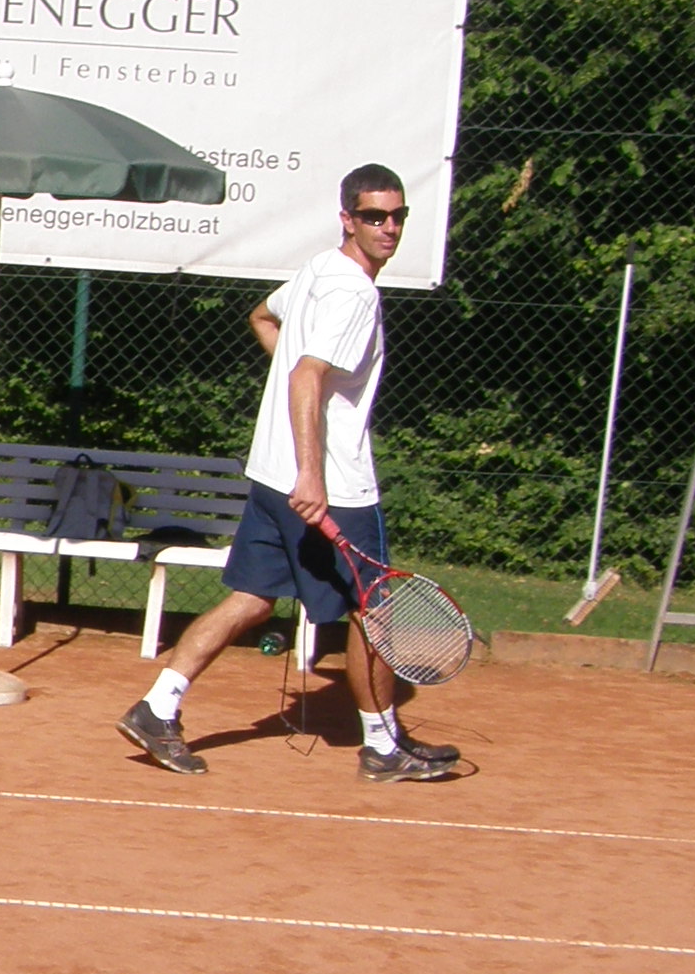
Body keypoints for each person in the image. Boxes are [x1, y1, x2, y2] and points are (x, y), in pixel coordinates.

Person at [116, 165, 459, 782]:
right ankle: (382, 746)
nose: (388, 227)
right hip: (329, 484)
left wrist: (298, 425)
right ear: (348, 219)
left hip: (272, 477)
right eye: (374, 216)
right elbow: (305, 374)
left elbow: (263, 318)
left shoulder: (318, 270)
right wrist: (312, 474)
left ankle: (156, 707)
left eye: (397, 215)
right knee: (373, 611)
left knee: (251, 599)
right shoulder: (354, 293)